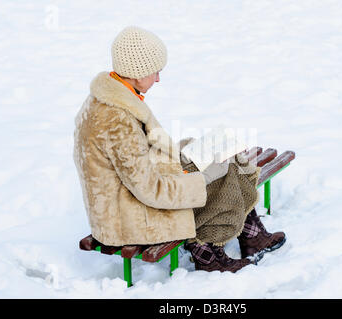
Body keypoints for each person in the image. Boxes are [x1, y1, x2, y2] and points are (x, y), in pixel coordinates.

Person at [73, 26, 286, 273]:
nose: (158, 79)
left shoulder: (112, 96)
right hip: (128, 219)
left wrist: (191, 166)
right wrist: (202, 178)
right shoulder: (116, 119)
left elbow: (136, 164)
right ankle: (207, 252)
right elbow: (150, 190)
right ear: (138, 72)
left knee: (217, 155)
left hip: (127, 197)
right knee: (221, 173)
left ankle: (251, 235)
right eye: (155, 72)